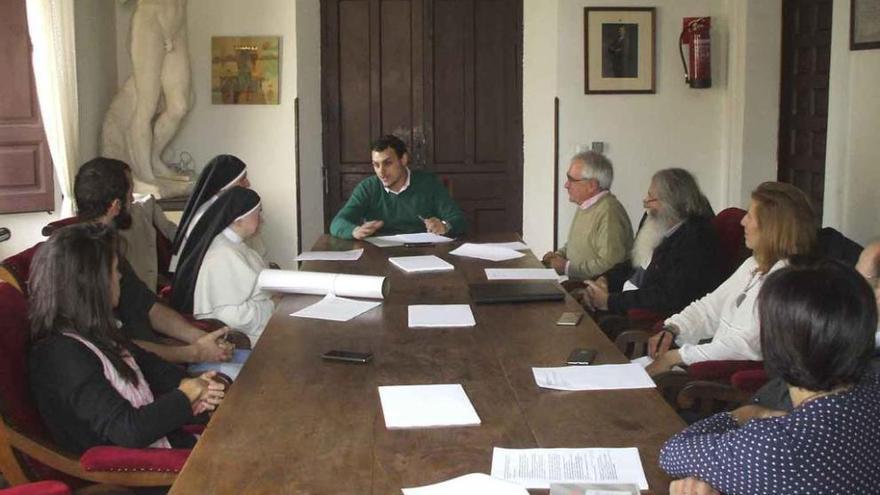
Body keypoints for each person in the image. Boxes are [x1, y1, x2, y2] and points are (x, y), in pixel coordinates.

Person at [659, 259, 880, 494]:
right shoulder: (872, 388)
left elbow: (672, 453)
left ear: (778, 344)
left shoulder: (774, 445)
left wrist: (743, 415)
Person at [28, 223, 225, 455]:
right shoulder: (60, 355)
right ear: (92, 283)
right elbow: (128, 430)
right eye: (114, 270)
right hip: (137, 474)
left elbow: (158, 371)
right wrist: (188, 394)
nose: (120, 277)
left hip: (166, 447)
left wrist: (204, 388)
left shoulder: (97, 332)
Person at [646, 182, 816, 376]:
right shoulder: (753, 264)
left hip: (724, 382)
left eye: (750, 216)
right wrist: (674, 328)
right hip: (706, 367)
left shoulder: (787, 282)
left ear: (772, 227)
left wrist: (677, 357)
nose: (743, 221)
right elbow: (709, 307)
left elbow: (745, 345)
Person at [74, 157, 233, 364]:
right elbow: (118, 347)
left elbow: (147, 305)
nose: (132, 201)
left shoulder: (107, 247)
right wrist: (195, 352)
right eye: (130, 193)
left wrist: (202, 339)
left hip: (147, 352)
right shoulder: (80, 258)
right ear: (115, 206)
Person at [582, 169, 722, 337]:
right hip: (627, 303)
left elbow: (666, 296)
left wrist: (610, 301)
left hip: (650, 322)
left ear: (671, 203)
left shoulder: (696, 240)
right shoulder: (657, 223)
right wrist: (604, 279)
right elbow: (634, 263)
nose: (645, 202)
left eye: (652, 198)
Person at [170, 187, 276, 345]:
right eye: (257, 213)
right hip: (244, 340)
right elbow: (231, 317)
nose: (262, 220)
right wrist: (273, 305)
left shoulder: (235, 245)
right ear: (238, 219)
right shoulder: (222, 255)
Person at [329, 134, 466, 240]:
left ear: (403, 159)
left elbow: (459, 220)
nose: (381, 172)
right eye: (376, 165)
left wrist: (445, 226)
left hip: (423, 254)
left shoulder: (429, 183)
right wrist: (354, 231)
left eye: (387, 163)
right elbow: (337, 223)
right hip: (379, 256)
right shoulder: (368, 188)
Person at [542, 151, 633, 280]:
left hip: (592, 294)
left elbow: (610, 265)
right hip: (579, 287)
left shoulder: (609, 213)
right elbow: (577, 245)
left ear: (592, 185)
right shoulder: (586, 205)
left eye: (571, 180)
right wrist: (558, 256)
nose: (566, 185)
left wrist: (566, 267)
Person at [169, 154, 257, 272]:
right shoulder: (205, 216)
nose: (248, 184)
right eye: (242, 180)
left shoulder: (225, 209)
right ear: (225, 185)